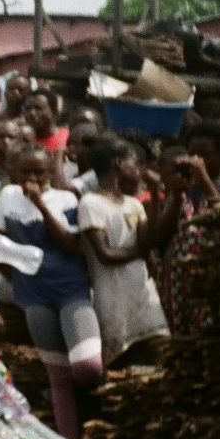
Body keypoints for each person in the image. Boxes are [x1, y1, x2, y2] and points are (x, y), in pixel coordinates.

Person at [0, 144, 101, 439]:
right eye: (25, 172)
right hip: (34, 296)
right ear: (13, 172)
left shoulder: (64, 199)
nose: (32, 178)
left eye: (39, 172)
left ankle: (93, 416)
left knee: (88, 367)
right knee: (58, 377)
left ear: (51, 172)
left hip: (70, 291)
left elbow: (69, 245)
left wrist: (41, 205)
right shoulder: (8, 197)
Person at [75, 137, 169, 367]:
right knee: (125, 362)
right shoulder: (91, 203)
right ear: (118, 163)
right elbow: (105, 254)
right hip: (114, 298)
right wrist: (139, 253)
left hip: (142, 293)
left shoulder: (133, 204)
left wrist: (155, 194)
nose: (138, 169)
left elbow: (148, 242)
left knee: (159, 353)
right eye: (134, 163)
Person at [152, 120, 220, 336]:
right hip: (177, 282)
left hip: (211, 281)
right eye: (191, 154)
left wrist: (203, 179)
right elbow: (160, 239)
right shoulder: (182, 191)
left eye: (205, 155)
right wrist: (175, 197)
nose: (195, 160)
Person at [22, 91, 68, 163]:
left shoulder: (68, 138)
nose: (32, 113)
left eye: (38, 108)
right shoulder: (19, 140)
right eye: (28, 109)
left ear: (54, 111)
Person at [65, 121, 101, 195]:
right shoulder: (68, 170)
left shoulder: (95, 174)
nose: (70, 148)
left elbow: (63, 190)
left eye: (76, 144)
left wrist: (58, 156)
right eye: (68, 144)